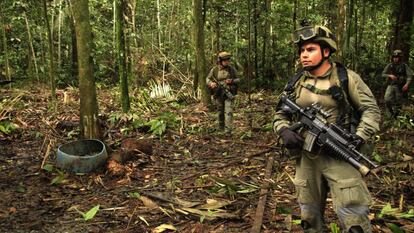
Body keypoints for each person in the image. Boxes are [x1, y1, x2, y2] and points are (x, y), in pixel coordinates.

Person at [273, 24, 380, 233]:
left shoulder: (345, 78)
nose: (304, 55)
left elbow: (371, 110)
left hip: (339, 154)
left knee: (354, 219)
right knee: (309, 216)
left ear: (326, 51)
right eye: (302, 50)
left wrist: (359, 136)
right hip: (307, 157)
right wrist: (284, 130)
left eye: (310, 49)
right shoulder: (296, 82)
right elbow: (280, 113)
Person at [206, 51, 240, 134]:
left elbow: (238, 79)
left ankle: (228, 131)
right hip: (218, 93)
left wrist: (231, 81)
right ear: (220, 61)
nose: (227, 62)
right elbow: (207, 79)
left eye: (228, 60)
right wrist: (211, 83)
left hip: (229, 93)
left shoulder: (232, 69)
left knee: (229, 112)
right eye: (225, 60)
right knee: (220, 112)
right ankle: (221, 129)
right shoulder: (215, 69)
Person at [382, 49, 413, 118]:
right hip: (391, 85)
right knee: (387, 99)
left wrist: (407, 84)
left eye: (397, 57)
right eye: (394, 57)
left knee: (399, 102)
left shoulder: (404, 66)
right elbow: (383, 74)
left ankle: (396, 116)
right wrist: (390, 75)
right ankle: (390, 115)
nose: (395, 59)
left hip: (400, 86)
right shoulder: (390, 65)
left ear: (400, 58)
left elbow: (410, 75)